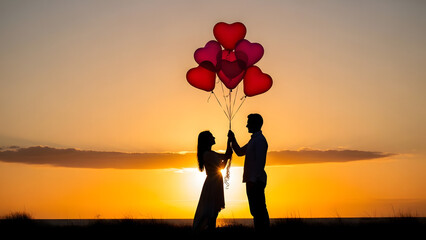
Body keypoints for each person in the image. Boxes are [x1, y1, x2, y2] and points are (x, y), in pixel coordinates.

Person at [228, 113, 270, 232]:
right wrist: (233, 139)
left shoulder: (260, 140)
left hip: (255, 181)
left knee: (259, 209)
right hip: (252, 181)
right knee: (255, 210)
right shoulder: (254, 140)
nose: (246, 126)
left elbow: (259, 164)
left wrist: (253, 180)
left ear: (255, 124)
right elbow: (240, 152)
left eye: (249, 123)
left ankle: (263, 232)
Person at [193, 131, 233, 232]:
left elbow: (224, 159)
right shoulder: (208, 154)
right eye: (212, 137)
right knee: (211, 211)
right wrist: (229, 145)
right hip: (213, 184)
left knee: (213, 211)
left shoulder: (210, 154)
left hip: (215, 182)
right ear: (207, 140)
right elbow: (223, 163)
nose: (214, 138)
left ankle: (210, 231)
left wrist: (229, 142)